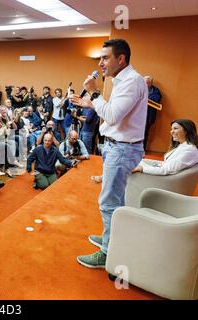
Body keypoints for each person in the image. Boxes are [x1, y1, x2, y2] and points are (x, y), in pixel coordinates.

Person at [71, 39, 147, 268]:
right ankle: (111, 239)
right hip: (118, 146)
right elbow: (114, 112)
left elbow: (112, 116)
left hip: (122, 148)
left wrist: (94, 95)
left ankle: (107, 253)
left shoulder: (131, 82)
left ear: (121, 59)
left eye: (105, 58)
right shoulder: (123, 80)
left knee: (108, 202)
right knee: (116, 200)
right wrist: (90, 103)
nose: (100, 63)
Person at [133, 119, 198, 175]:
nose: (171, 132)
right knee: (138, 162)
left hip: (165, 181)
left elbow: (166, 169)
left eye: (175, 128)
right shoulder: (183, 146)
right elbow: (166, 165)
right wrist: (145, 161)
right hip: (165, 177)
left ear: (186, 131)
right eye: (171, 129)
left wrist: (142, 168)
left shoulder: (189, 150)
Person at [144, 76, 162, 150]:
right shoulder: (138, 88)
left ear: (151, 83)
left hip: (149, 116)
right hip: (137, 116)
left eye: (147, 83)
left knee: (145, 132)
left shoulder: (156, 91)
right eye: (144, 82)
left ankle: (142, 149)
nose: (145, 84)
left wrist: (146, 99)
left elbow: (157, 99)